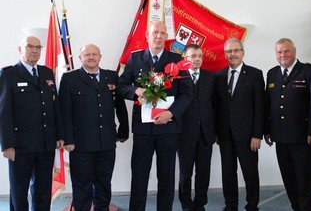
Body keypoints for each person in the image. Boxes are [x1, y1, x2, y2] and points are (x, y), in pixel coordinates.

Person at [117, 21, 192, 211]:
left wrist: (171, 113)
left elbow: (187, 94)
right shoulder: (135, 59)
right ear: (147, 36)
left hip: (168, 127)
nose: (158, 36)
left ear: (167, 37)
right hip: (143, 129)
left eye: (162, 33)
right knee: (140, 174)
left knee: (166, 176)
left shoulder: (176, 59)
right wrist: (136, 90)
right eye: (155, 32)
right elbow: (121, 86)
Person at [59, 44, 129, 210]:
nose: (91, 57)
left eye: (94, 54)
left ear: (100, 57)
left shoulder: (111, 77)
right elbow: (64, 111)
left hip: (106, 141)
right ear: (80, 58)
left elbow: (119, 105)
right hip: (80, 143)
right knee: (82, 184)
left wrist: (124, 130)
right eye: (87, 54)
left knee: (104, 181)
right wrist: (68, 139)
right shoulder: (70, 79)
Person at [0, 35, 64, 211]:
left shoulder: (46, 72)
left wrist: (59, 135)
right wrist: (6, 145)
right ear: (20, 49)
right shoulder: (8, 74)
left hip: (45, 143)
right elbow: (4, 113)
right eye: (30, 46)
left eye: (38, 47)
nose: (35, 50)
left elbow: (54, 106)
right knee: (19, 192)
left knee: (43, 190)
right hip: (20, 145)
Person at [264, 38, 311, 211]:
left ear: (294, 51)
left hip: (303, 137)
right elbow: (268, 104)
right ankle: (296, 207)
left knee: (305, 180)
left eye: (286, 51)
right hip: (280, 137)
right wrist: (267, 131)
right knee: (289, 179)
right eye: (279, 52)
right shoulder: (272, 73)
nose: (283, 55)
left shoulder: (308, 71)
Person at [214, 37, 265, 211]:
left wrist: (257, 134)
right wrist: (216, 132)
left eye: (236, 50)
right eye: (229, 51)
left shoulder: (255, 74)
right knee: (228, 174)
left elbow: (260, 107)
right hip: (225, 135)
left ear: (243, 52)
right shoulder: (219, 76)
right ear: (225, 54)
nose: (232, 54)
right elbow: (216, 107)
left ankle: (252, 205)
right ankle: (231, 205)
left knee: (250, 173)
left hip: (248, 136)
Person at [178, 44, 215, 211]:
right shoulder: (177, 77)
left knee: (203, 173)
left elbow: (215, 105)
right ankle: (186, 205)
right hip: (184, 134)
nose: (197, 59)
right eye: (192, 56)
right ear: (185, 59)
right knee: (185, 173)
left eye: (199, 56)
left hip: (206, 134)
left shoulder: (210, 77)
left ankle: (200, 204)